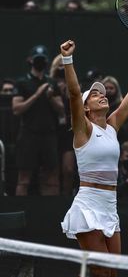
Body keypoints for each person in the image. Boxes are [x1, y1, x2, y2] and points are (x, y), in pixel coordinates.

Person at [60, 37, 128, 277]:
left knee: (112, 274)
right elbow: (74, 94)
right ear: (86, 107)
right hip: (87, 205)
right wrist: (67, 59)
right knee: (102, 272)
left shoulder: (113, 126)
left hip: (110, 207)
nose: (102, 95)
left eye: (103, 93)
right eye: (94, 95)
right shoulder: (82, 128)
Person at [12, 44, 64, 196]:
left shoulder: (52, 83)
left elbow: (61, 110)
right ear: (30, 60)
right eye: (37, 59)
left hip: (49, 134)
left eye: (42, 59)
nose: (39, 62)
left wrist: (50, 97)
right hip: (29, 134)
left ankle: (51, 213)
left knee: (51, 178)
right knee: (24, 179)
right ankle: (20, 213)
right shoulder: (22, 82)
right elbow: (16, 109)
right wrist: (36, 95)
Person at [49, 54, 77, 195]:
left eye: (63, 65)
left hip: (68, 131)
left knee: (68, 169)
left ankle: (66, 198)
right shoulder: (49, 83)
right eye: (58, 65)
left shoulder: (73, 84)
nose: (61, 68)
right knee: (52, 170)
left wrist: (67, 92)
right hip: (51, 130)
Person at [102, 75, 128, 143]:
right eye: (106, 88)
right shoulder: (97, 105)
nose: (108, 90)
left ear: (116, 89)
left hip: (119, 137)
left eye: (111, 88)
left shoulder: (122, 104)